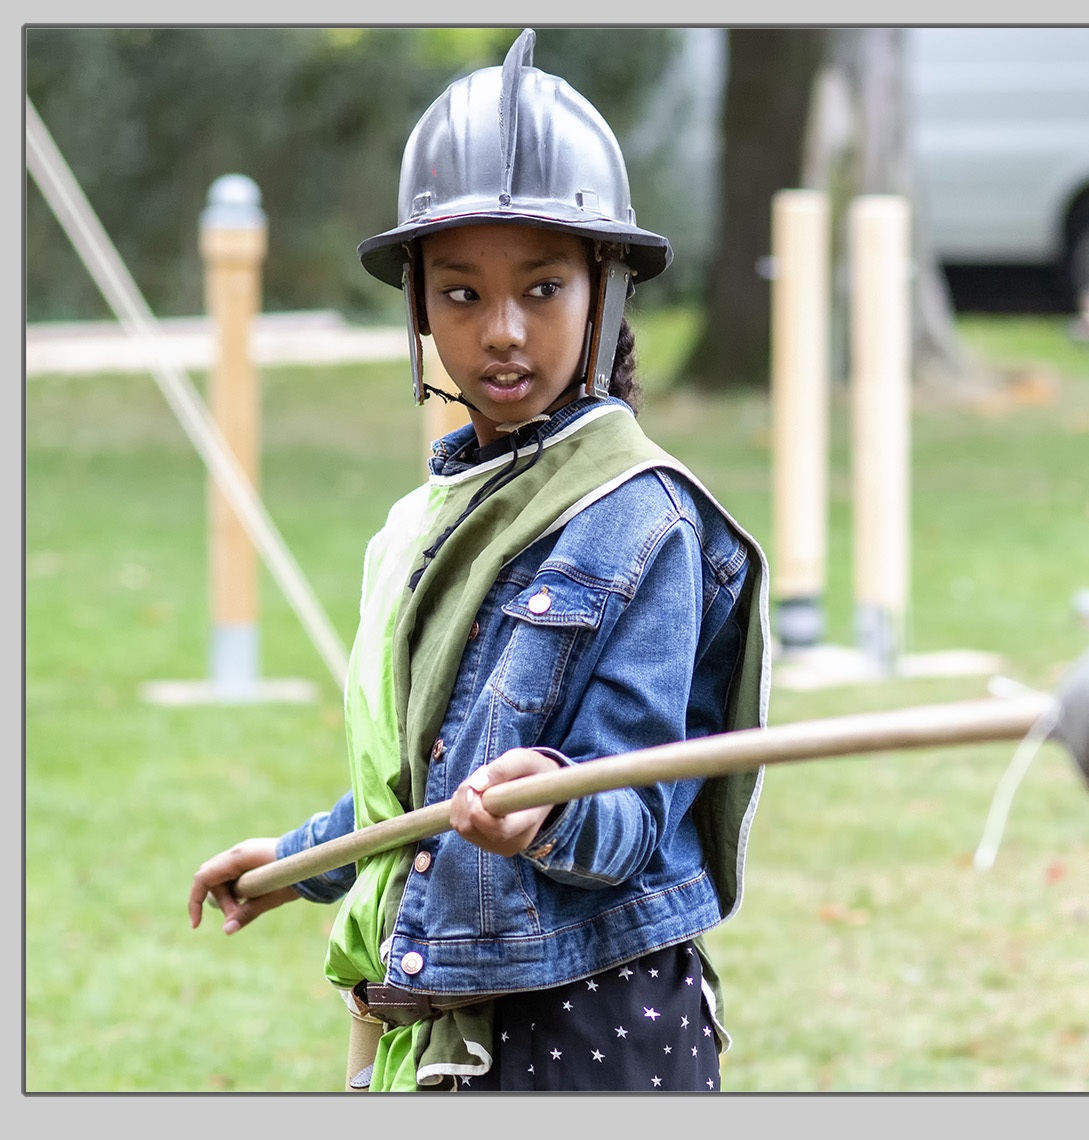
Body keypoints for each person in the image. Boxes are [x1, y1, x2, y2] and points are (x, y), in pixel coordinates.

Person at [187, 28, 770, 1093]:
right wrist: (299, 862)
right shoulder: (424, 519)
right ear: (418, 304)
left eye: (542, 289)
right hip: (446, 1028)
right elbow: (423, 782)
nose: (502, 331)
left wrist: (551, 807)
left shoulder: (639, 522)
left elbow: (637, 815)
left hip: (587, 1030)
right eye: (462, 294)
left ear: (606, 289)